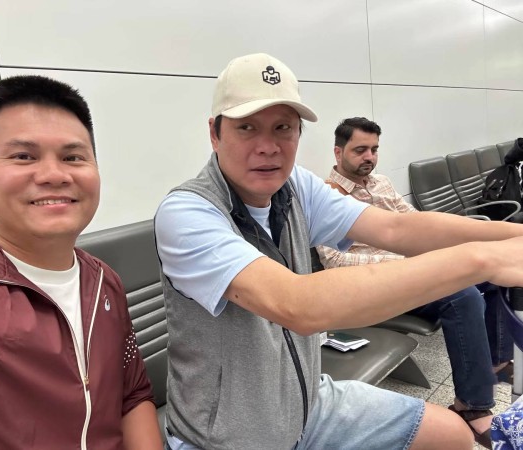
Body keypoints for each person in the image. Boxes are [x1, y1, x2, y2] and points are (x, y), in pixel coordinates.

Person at [155, 52, 523, 450]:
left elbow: (395, 227)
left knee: (452, 435)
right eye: (246, 127)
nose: (268, 147)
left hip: (308, 404)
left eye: (283, 128)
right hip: (229, 437)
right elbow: (296, 305)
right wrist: (481, 259)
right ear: (214, 133)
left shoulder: (295, 186)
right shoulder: (187, 214)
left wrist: (509, 237)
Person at [0, 75, 162, 449]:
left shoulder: (103, 281)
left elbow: (132, 395)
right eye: (23, 156)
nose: (54, 175)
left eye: (72, 157)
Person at [317, 116, 515, 448]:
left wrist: (441, 248)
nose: (369, 157)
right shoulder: (327, 196)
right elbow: (334, 261)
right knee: (462, 294)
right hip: (370, 283)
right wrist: (409, 265)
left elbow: (413, 222)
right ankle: (472, 406)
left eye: (374, 149)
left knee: (491, 272)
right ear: (338, 152)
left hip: (409, 269)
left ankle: (492, 364)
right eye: (360, 150)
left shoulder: (380, 182)